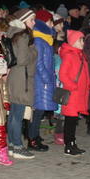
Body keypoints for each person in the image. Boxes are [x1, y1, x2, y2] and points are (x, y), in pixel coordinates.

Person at [5, 8, 38, 159]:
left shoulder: (12, 33)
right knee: (17, 115)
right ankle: (18, 147)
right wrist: (34, 51)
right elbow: (23, 59)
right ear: (24, 20)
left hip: (14, 77)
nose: (34, 22)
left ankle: (12, 145)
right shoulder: (23, 35)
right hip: (22, 79)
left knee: (13, 114)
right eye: (32, 20)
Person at [58, 30, 90, 155]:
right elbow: (63, 74)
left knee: (73, 119)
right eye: (81, 40)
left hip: (78, 93)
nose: (83, 42)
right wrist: (73, 86)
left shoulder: (80, 54)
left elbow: (85, 71)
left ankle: (72, 143)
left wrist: (88, 83)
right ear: (75, 42)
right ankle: (69, 144)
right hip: (72, 93)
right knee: (70, 120)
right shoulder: (70, 55)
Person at [27, 9, 55, 151]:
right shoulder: (39, 40)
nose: (52, 25)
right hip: (40, 81)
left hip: (44, 80)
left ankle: (35, 136)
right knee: (37, 112)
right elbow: (38, 63)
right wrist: (46, 78)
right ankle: (32, 140)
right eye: (50, 22)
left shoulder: (45, 39)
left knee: (40, 111)